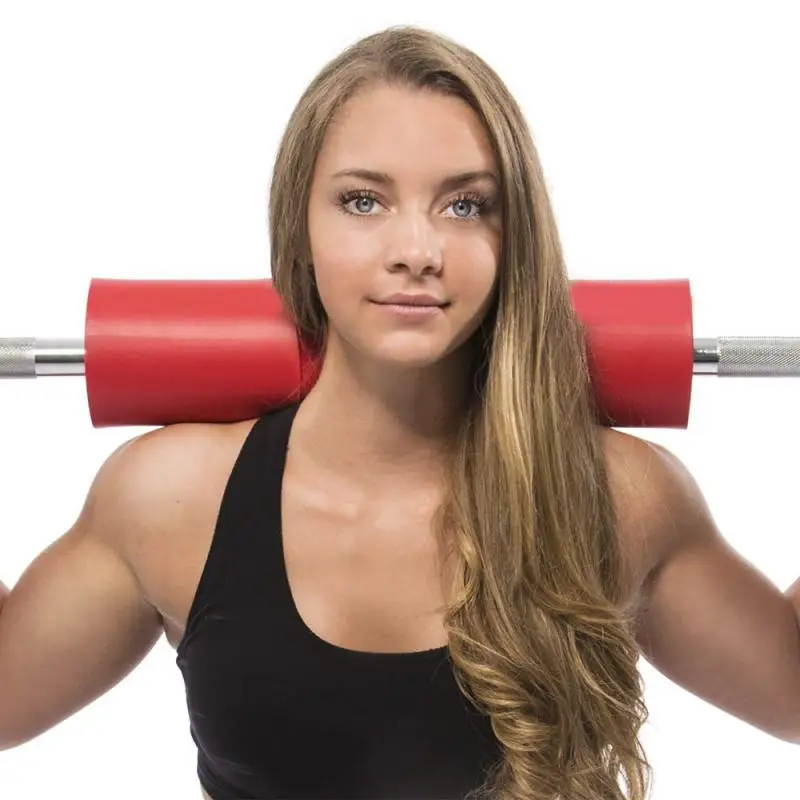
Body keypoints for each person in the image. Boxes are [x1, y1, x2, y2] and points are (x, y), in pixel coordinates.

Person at [1, 23, 799, 800]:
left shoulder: (620, 497)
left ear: (515, 237)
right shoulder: (171, 499)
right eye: (363, 201)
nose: (416, 250)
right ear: (299, 225)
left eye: (465, 206)